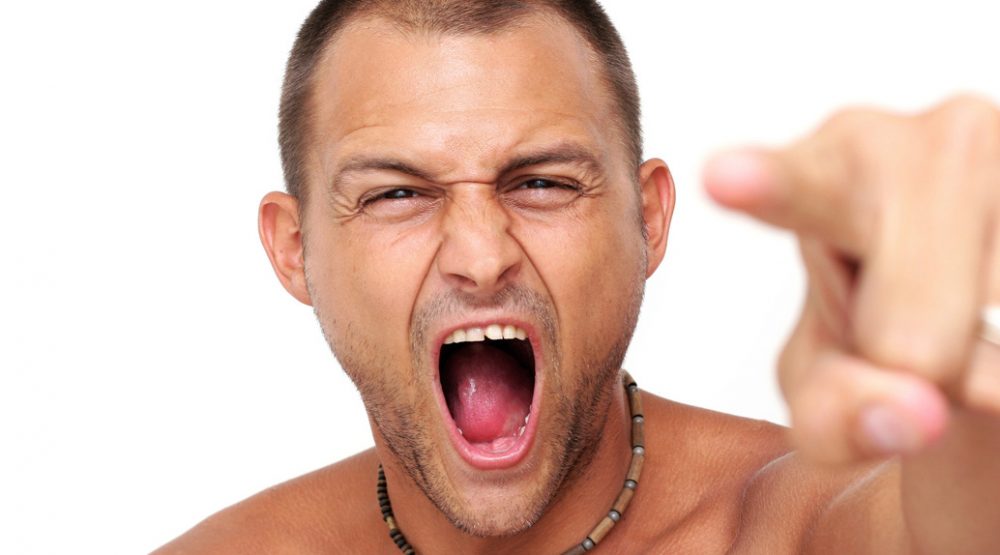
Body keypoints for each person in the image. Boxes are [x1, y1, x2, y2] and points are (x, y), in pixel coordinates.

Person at [154, 1, 1000, 553]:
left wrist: (958, 398)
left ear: (648, 219)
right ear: (293, 248)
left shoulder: (794, 526)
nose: (480, 256)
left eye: (542, 183)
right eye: (397, 193)